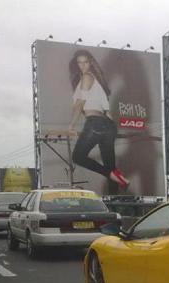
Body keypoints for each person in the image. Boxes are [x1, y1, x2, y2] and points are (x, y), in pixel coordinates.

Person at [68, 50, 129, 189]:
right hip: (107, 125)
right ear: (76, 64)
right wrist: (112, 131)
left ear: (90, 62)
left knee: (78, 157)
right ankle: (115, 200)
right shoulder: (97, 81)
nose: (82, 65)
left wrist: (71, 125)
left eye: (85, 62)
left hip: (95, 123)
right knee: (111, 167)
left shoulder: (87, 77)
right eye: (79, 62)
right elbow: (107, 112)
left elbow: (80, 104)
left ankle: (113, 176)